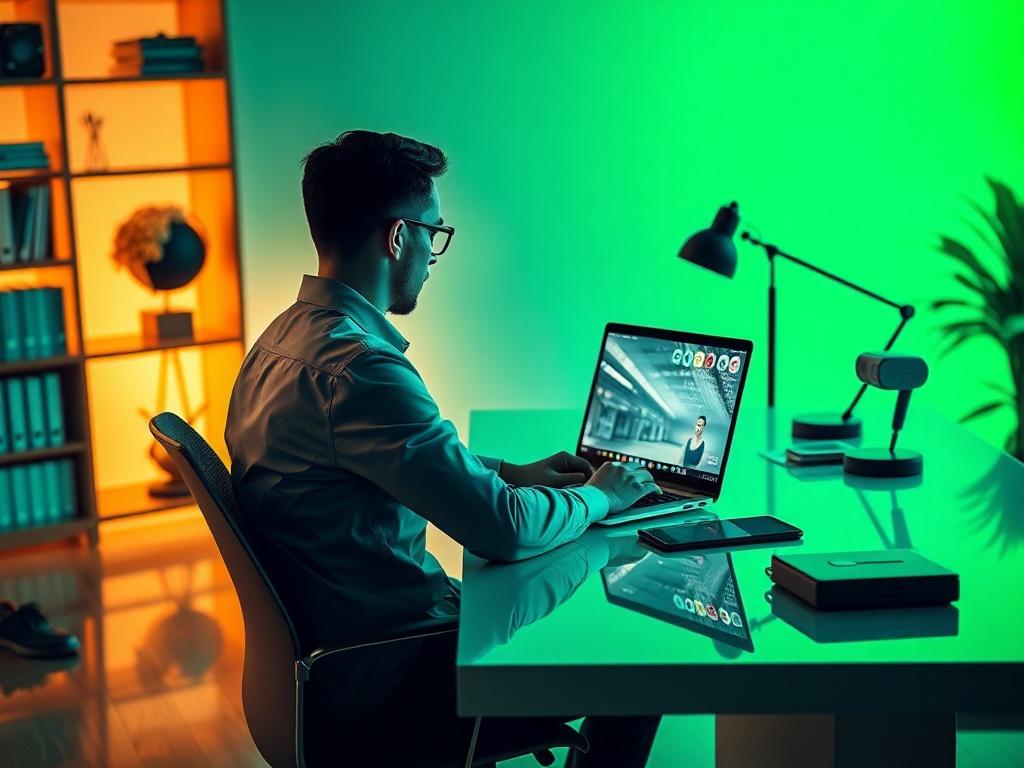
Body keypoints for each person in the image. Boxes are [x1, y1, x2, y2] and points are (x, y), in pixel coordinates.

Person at [225, 130, 662, 766]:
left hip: (338, 662)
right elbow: (503, 530)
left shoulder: (280, 343)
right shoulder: (362, 370)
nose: (434, 254)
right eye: (434, 232)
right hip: (397, 678)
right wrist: (601, 496)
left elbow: (376, 464)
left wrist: (512, 471)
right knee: (639, 665)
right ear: (398, 237)